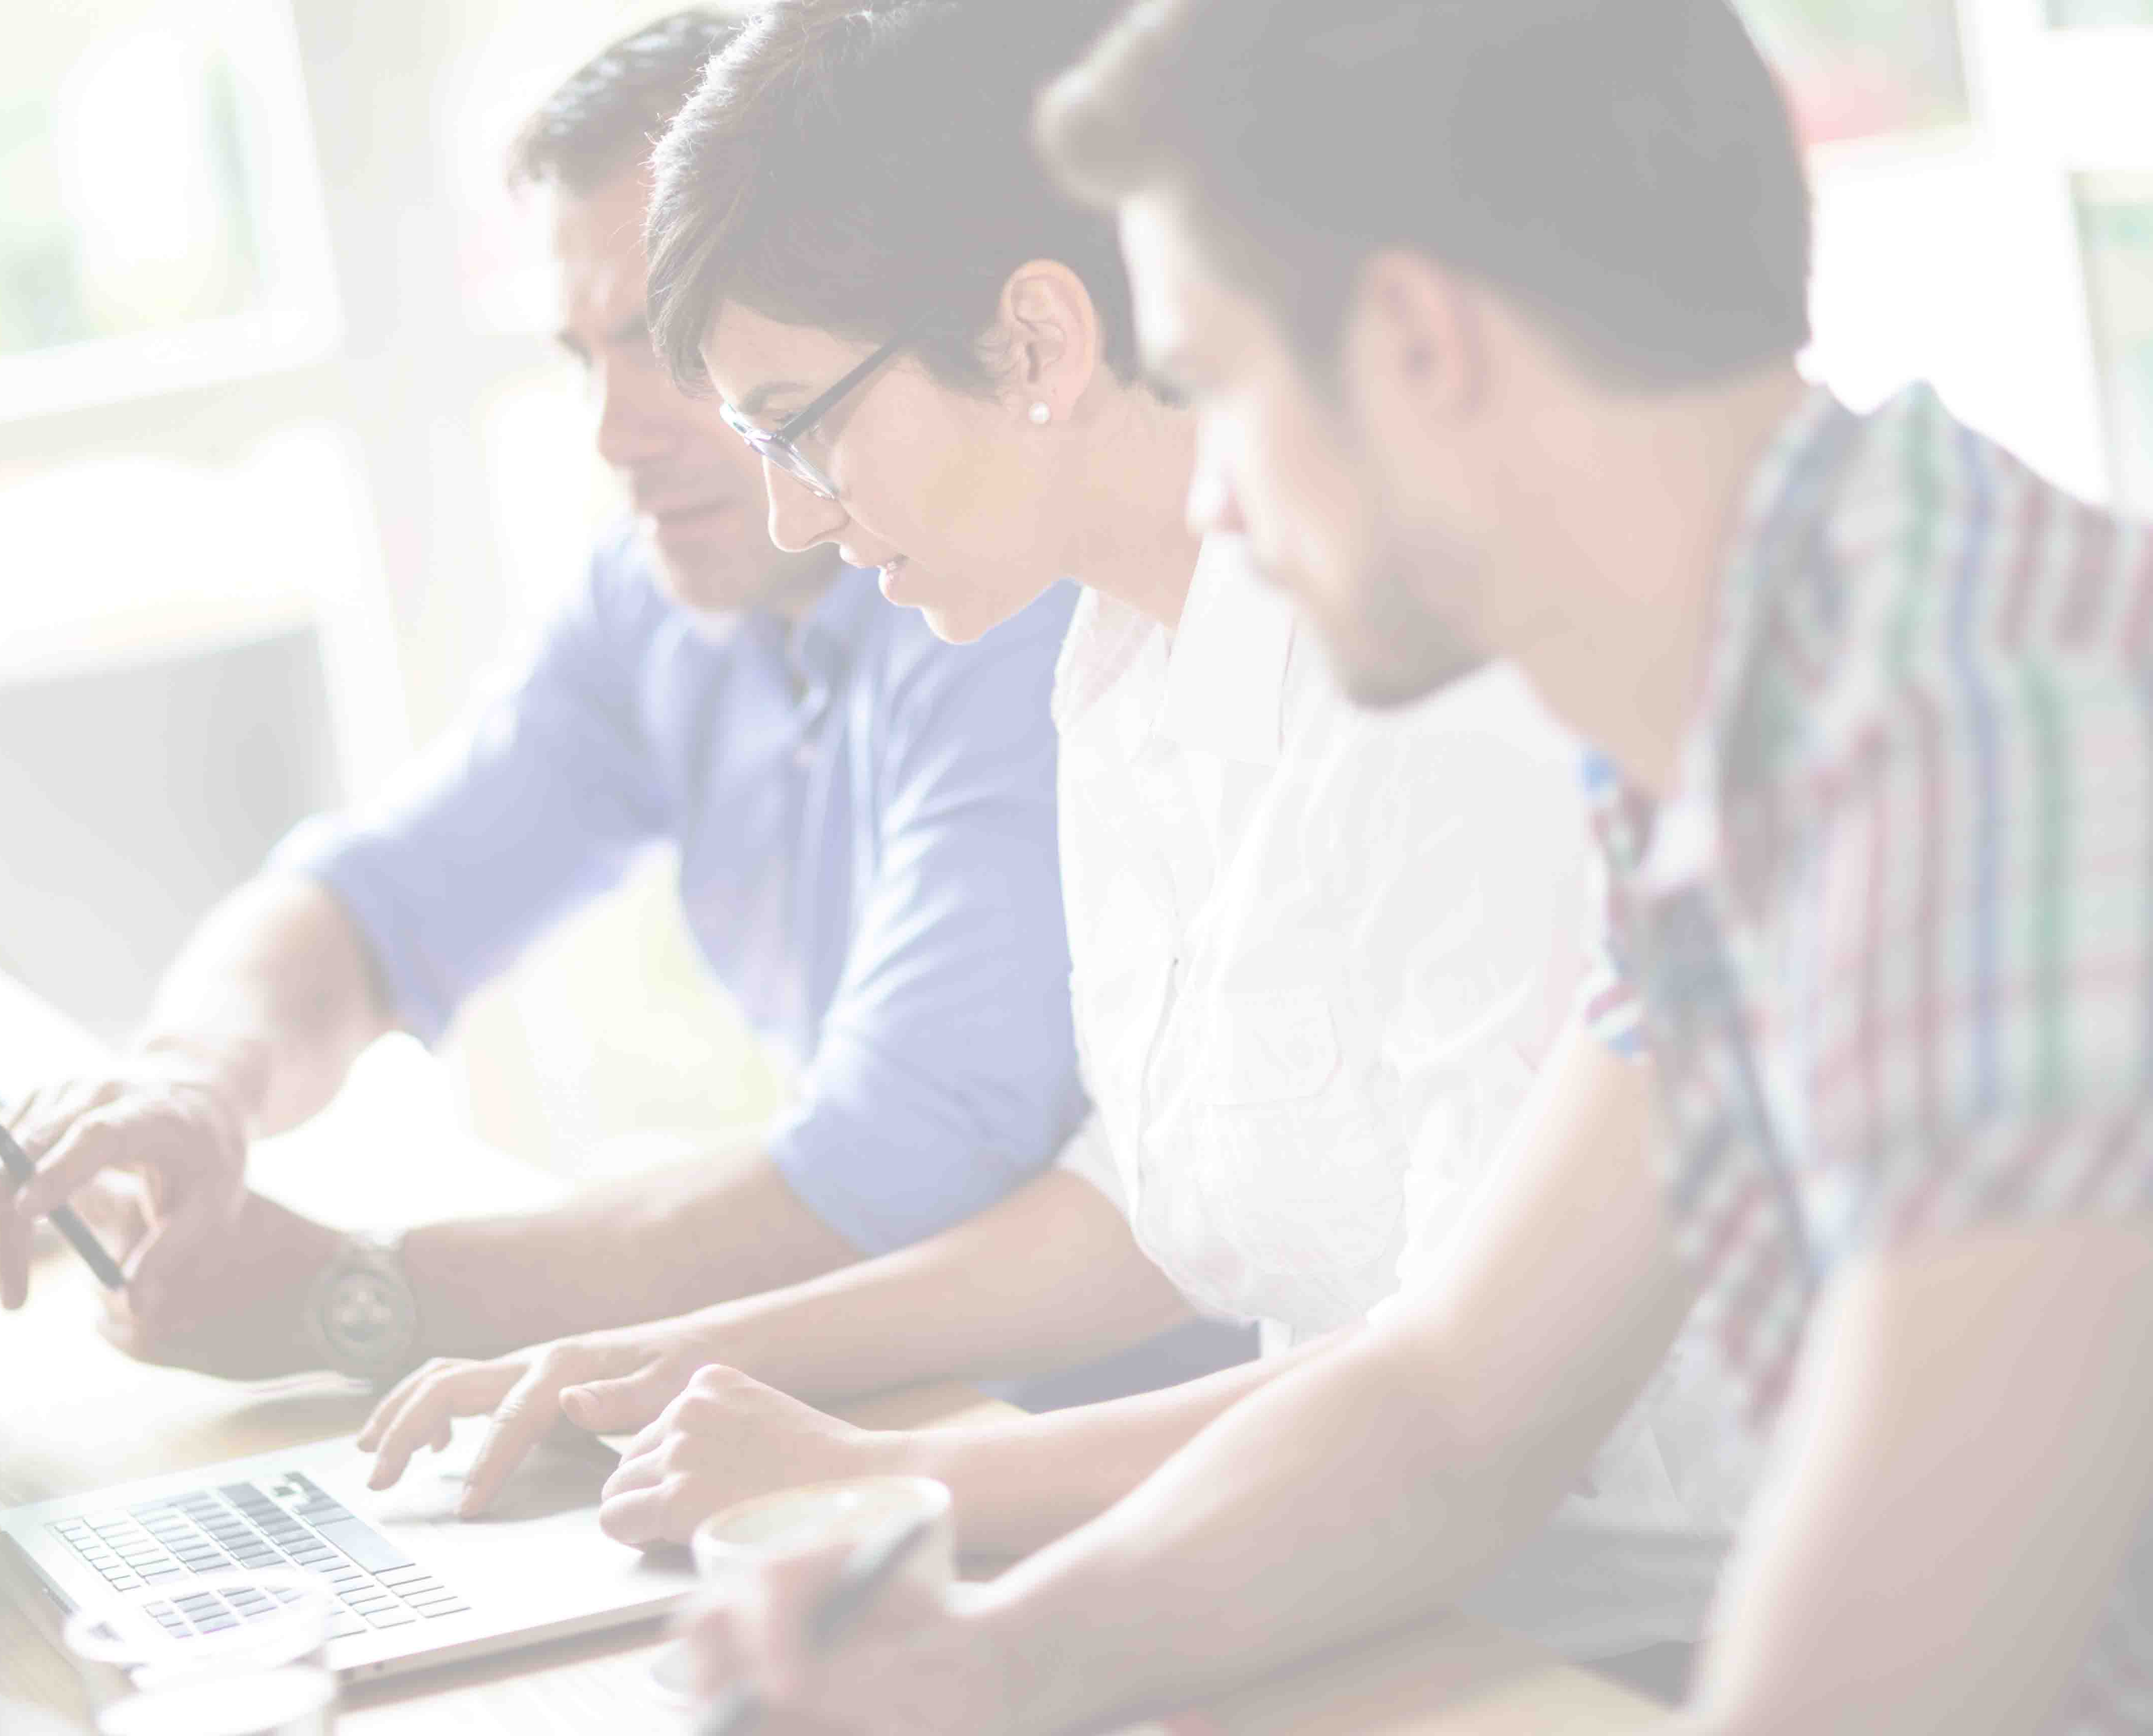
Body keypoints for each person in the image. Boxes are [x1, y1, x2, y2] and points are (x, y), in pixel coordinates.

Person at [677, 1, 2153, 1731]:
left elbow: (1888, 1685)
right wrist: (997, 1663)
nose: (1212, 504)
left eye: (1216, 385)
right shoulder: (1760, 703)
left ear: (1420, 345)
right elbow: (1457, 1402)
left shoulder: (1981, 741)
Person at [354, 0, 1744, 1690]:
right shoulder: (1112, 662)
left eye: (799, 422)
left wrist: (887, 1477)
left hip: (1615, 1643)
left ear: (1033, 344)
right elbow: (1159, 1207)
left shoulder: (1452, 678)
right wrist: (668, 1361)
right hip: (1342, 1600)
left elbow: (1465, 1393)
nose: (790, 510)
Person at [0, 13, 1136, 1507]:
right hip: (869, 1440)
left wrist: (358, 1293)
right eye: (587, 354)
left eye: (672, 345)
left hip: (1086, 1454)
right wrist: (195, 1080)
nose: (620, 430)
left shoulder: (1016, 602)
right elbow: (374, 900)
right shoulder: (666, 596)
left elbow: (883, 1178)